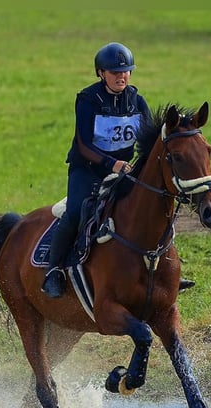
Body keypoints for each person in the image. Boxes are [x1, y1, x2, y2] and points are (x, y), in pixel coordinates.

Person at [41, 42, 149, 298]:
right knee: (77, 210)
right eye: (114, 72)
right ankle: (53, 270)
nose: (121, 76)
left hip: (123, 171)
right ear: (101, 73)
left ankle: (159, 268)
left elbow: (148, 142)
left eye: (125, 71)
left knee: (147, 207)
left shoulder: (138, 101)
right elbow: (84, 145)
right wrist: (112, 164)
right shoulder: (88, 100)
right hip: (87, 169)